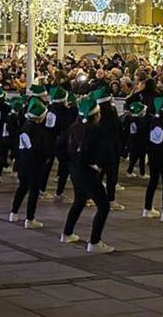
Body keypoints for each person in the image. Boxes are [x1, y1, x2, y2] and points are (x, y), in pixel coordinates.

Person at [61, 96, 114, 254]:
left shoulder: (74, 127)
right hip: (88, 172)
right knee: (103, 206)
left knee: (79, 200)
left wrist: (71, 161)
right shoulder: (96, 131)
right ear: (96, 115)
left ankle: (67, 233)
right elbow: (103, 155)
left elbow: (61, 146)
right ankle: (94, 242)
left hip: (75, 170)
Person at [8, 97, 48, 229]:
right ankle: (30, 218)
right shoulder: (39, 130)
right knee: (33, 191)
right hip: (34, 163)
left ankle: (13, 212)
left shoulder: (25, 125)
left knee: (22, 187)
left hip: (22, 161)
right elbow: (39, 149)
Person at [123, 102, 148, 178]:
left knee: (134, 158)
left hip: (133, 142)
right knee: (141, 158)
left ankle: (130, 171)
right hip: (139, 142)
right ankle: (142, 173)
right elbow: (143, 132)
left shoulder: (129, 119)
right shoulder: (140, 121)